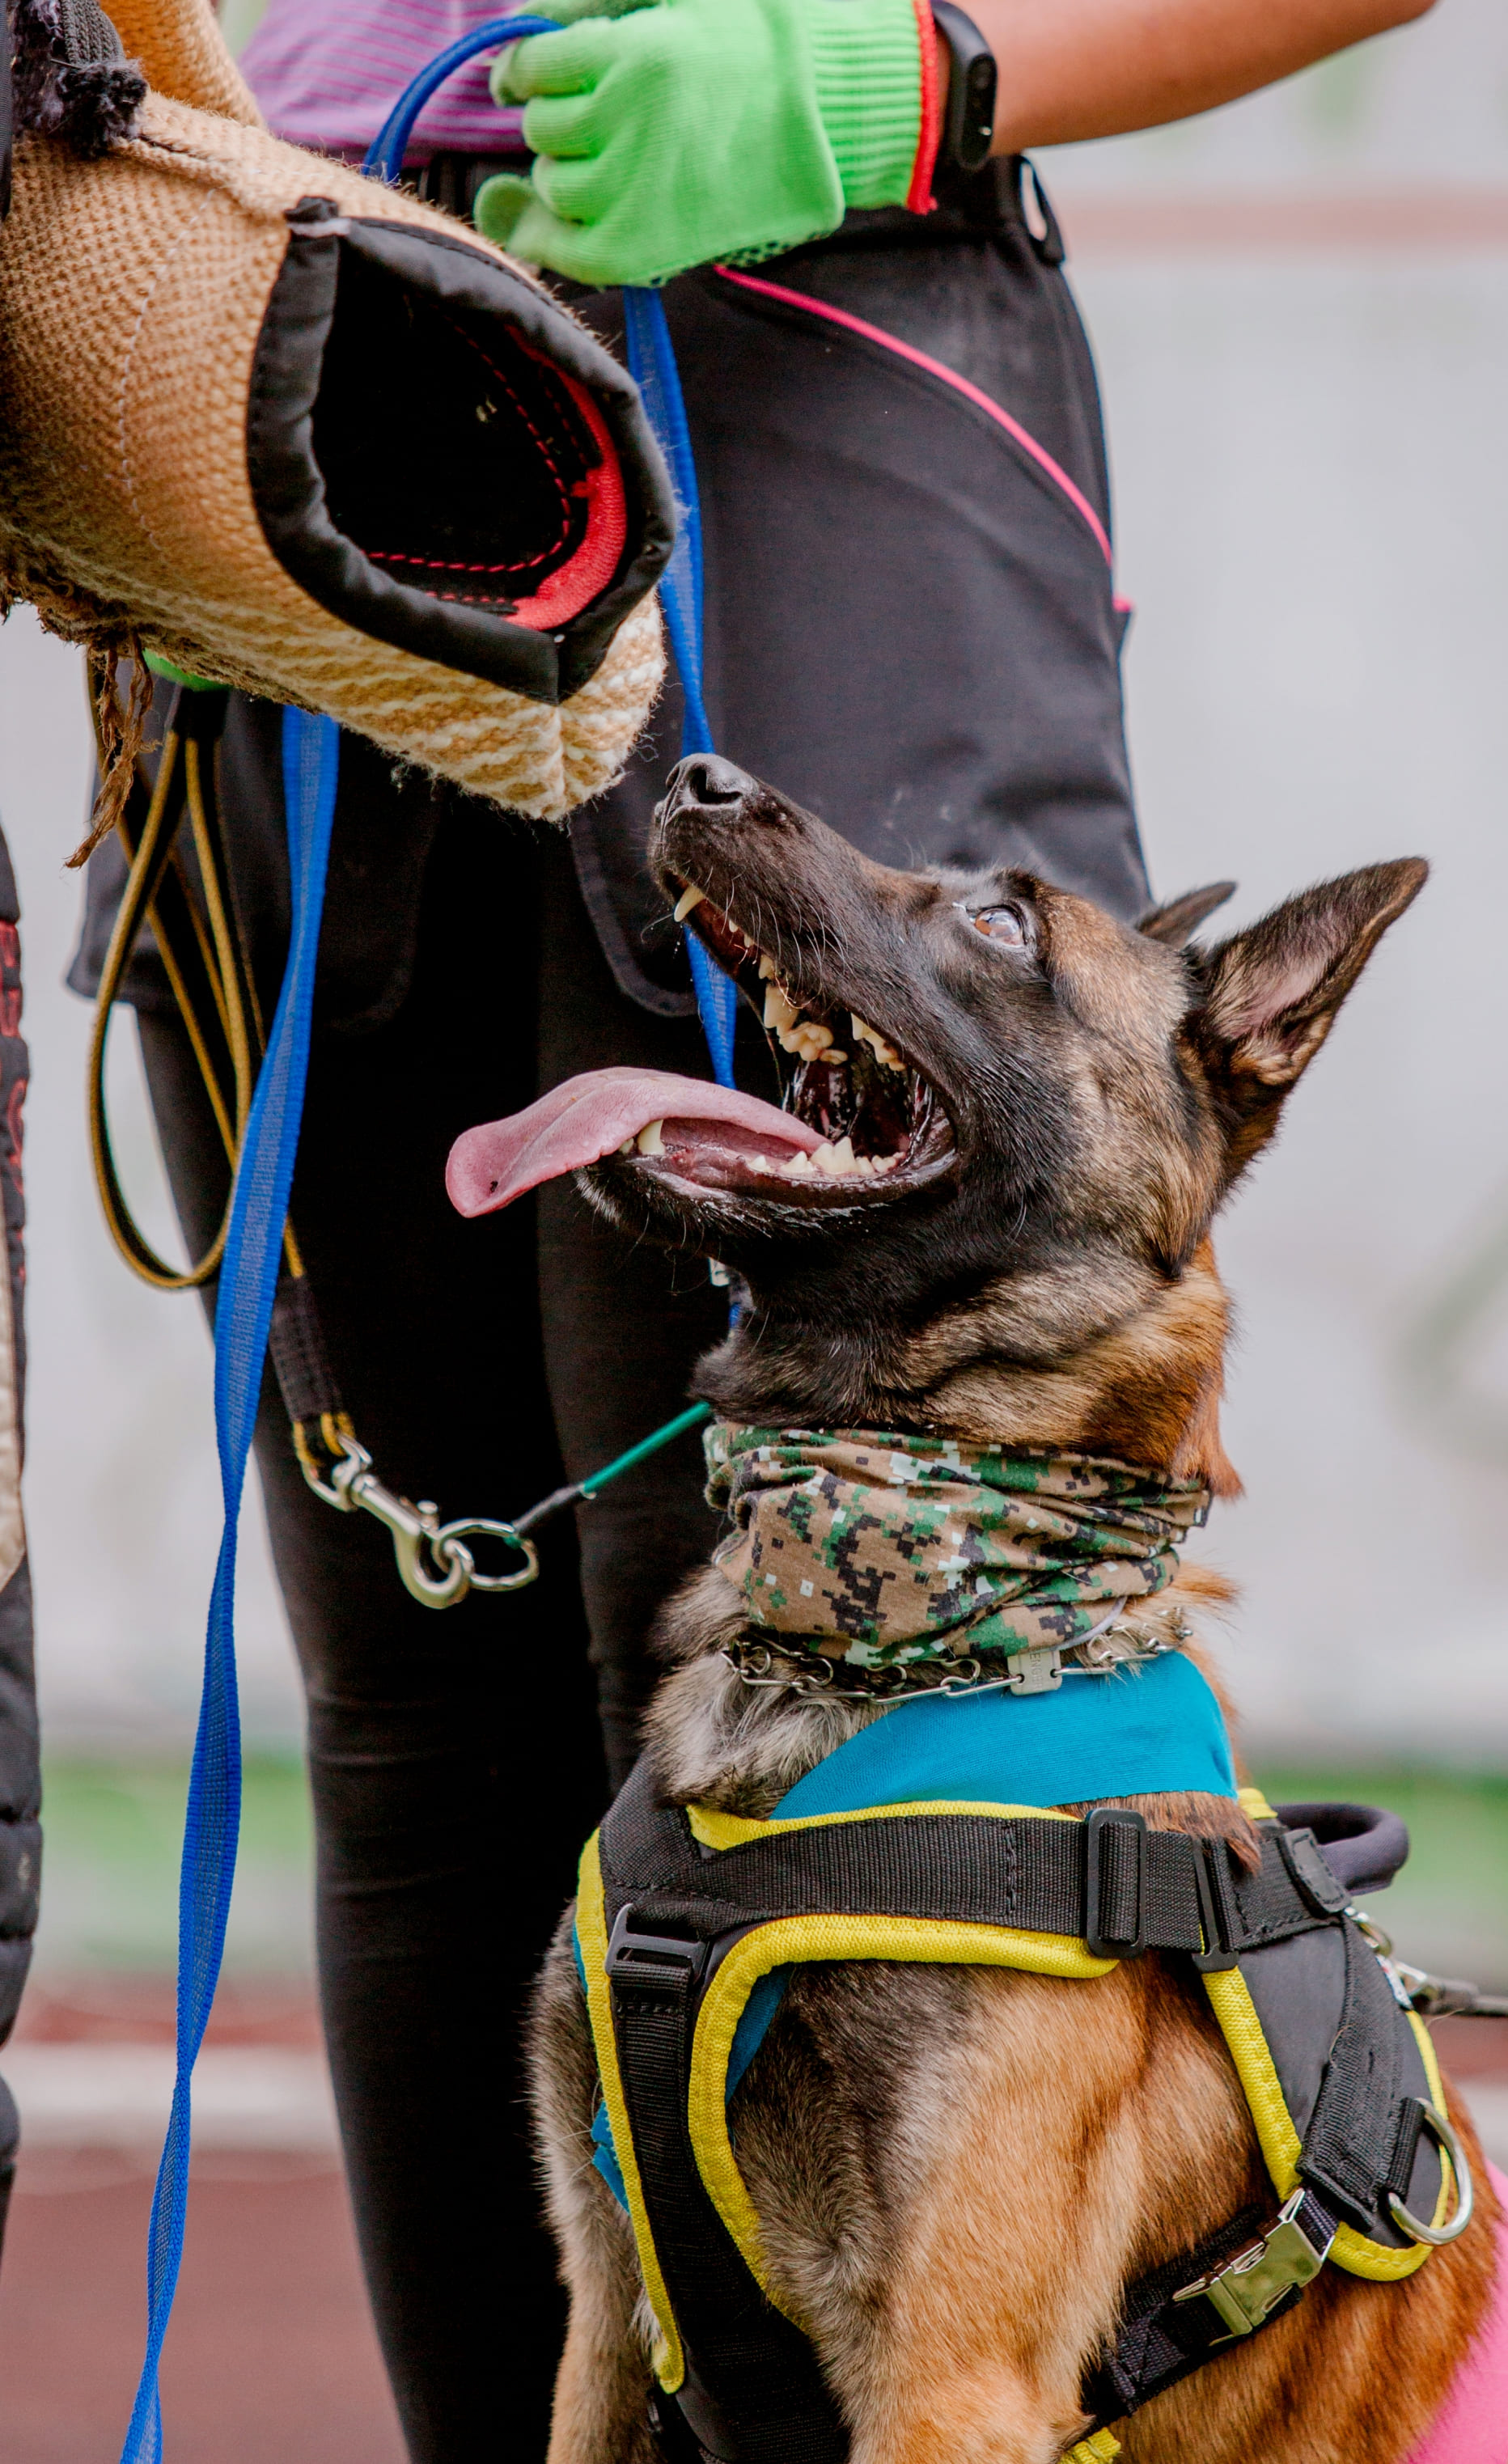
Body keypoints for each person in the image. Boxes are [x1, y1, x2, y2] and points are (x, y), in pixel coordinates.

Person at [74, 0, 1432, 2451]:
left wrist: (907, 73)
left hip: (826, 366)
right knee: (421, 1731)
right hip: (280, 344)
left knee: (817, 1772)